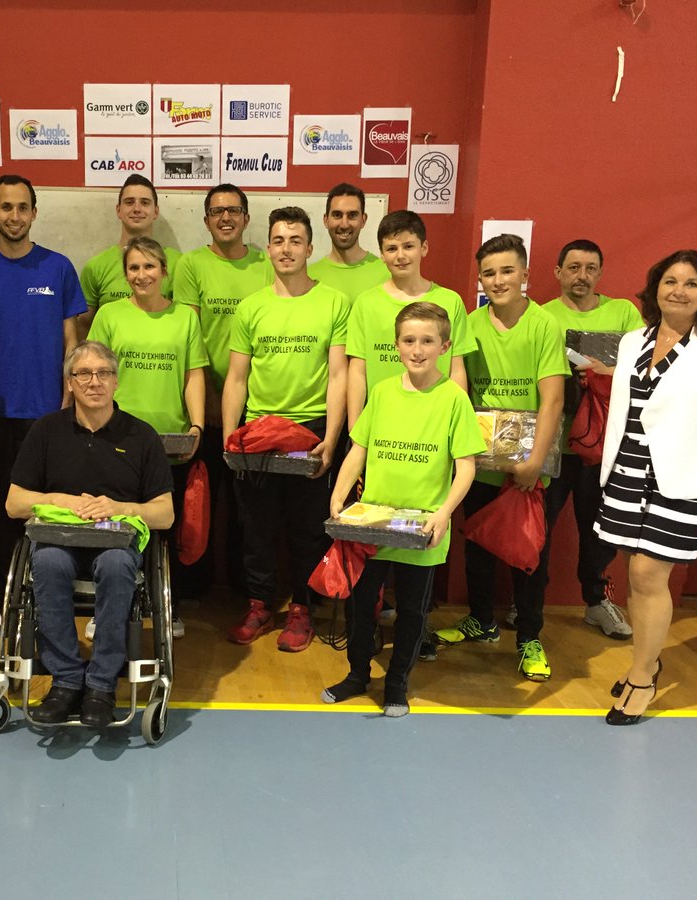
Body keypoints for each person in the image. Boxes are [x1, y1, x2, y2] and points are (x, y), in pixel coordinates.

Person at [595, 250, 697, 724]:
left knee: (649, 576)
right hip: (627, 472)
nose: (678, 291)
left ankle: (642, 679)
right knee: (633, 574)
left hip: (682, 484)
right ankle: (645, 661)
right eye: (670, 281)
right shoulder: (632, 342)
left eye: (691, 283)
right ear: (655, 287)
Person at [323, 303, 483, 714]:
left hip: (422, 526)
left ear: (445, 346)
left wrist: (443, 512)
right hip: (373, 522)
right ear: (396, 345)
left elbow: (466, 466)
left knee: (412, 611)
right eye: (409, 340)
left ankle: (396, 683)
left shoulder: (453, 399)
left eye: (427, 341)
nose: (417, 349)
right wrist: (340, 494)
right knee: (361, 605)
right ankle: (358, 674)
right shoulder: (382, 392)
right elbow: (359, 447)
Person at [6, 341, 174, 727]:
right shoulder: (46, 431)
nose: (94, 381)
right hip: (59, 542)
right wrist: (64, 501)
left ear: (116, 381)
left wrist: (120, 507)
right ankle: (66, 680)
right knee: (46, 562)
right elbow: (14, 503)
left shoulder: (141, 435)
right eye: (84, 374)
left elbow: (164, 514)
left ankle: (100, 684)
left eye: (103, 373)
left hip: (115, 544)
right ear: (69, 383)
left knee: (117, 566)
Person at [434, 234, 568, 681]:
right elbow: (460, 389)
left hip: (529, 464)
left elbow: (552, 401)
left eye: (507, 271)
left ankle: (529, 636)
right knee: (478, 547)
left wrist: (533, 460)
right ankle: (481, 620)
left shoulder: (545, 325)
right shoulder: (469, 323)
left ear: (526, 274)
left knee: (530, 556)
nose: (498, 280)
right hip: (481, 458)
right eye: (489, 273)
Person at [223, 207, 349, 651]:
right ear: (269, 248)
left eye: (295, 240)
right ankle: (259, 604)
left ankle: (301, 610)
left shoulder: (334, 302)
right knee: (256, 528)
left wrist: (332, 439)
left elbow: (339, 376)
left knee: (307, 529)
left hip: (311, 430)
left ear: (310, 248)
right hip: (258, 432)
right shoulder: (251, 307)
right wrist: (229, 438)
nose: (286, 249)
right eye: (278, 240)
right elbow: (237, 378)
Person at [0, 175, 87, 606]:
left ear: (34, 212)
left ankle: (51, 597)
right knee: (2, 511)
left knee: (52, 511)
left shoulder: (59, 267)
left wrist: (69, 396)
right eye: (6, 207)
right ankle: (7, 601)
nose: (14, 216)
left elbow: (72, 342)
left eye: (22, 208)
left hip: (49, 414)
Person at [87, 236, 208, 635]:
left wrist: (196, 426)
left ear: (164, 271)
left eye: (149, 267)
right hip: (114, 436)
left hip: (168, 443)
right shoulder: (108, 314)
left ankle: (164, 608)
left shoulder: (185, 318)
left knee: (162, 530)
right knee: (113, 525)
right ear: (126, 274)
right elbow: (93, 373)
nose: (142, 275)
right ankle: (105, 611)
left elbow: (194, 376)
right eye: (134, 268)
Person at [526, 239, 644, 638]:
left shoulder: (624, 312)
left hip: (604, 447)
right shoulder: (541, 316)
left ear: (601, 272)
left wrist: (604, 371)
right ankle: (529, 605)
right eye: (573, 267)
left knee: (600, 528)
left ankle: (596, 601)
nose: (582, 275)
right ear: (558, 272)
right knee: (538, 529)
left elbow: (645, 368)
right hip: (554, 444)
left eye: (590, 268)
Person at [173, 184, 273, 592]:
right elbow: (189, 335)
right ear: (206, 221)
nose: (225, 217)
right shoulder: (190, 265)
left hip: (258, 407)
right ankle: (193, 589)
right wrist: (208, 400)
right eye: (217, 212)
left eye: (233, 210)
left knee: (247, 506)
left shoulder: (267, 265)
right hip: (204, 404)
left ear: (247, 219)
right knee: (198, 499)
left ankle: (242, 591)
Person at [346, 210, 472, 427]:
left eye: (408, 246)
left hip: (434, 420)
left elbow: (456, 369)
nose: (400, 256)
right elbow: (358, 370)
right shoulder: (365, 303)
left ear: (424, 248)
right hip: (381, 420)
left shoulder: (450, 301)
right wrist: (355, 427)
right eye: (392, 248)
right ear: (382, 254)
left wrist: (455, 422)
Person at [77, 174, 180, 337]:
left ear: (156, 211)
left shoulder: (178, 263)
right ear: (118, 210)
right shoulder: (96, 266)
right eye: (129, 202)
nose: (137, 209)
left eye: (145, 203)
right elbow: (83, 326)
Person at [308, 182, 389, 304]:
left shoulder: (386, 273)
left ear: (363, 220)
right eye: (337, 215)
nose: (344, 224)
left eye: (352, 215)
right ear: (326, 220)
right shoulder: (309, 276)